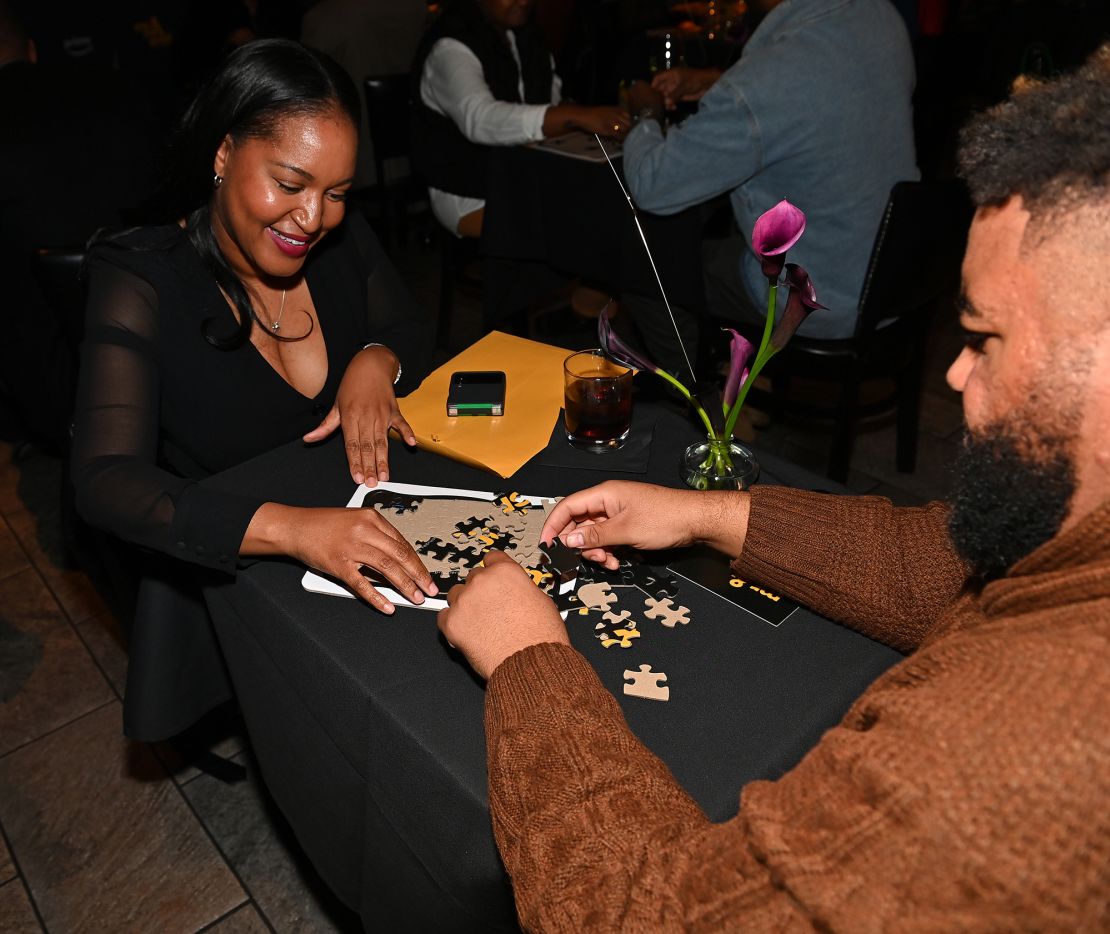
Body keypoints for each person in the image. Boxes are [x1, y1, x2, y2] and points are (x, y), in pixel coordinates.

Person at [436, 47, 1110, 929]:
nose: (952, 373)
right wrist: (707, 515)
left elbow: (647, 915)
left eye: (982, 337)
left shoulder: (1000, 764)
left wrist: (528, 662)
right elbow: (943, 564)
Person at [71, 39, 439, 741]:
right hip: (245, 575)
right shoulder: (141, 279)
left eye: (336, 193)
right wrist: (295, 529)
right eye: (290, 183)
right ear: (222, 152)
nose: (313, 219)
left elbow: (410, 326)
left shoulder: (340, 238)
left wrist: (373, 358)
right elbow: (102, 479)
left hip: (367, 540)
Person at [619, 0, 918, 377]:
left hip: (819, 298)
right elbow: (815, 85)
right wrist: (721, 81)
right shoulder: (879, 16)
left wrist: (646, 114)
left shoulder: (763, 85)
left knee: (639, 258)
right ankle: (744, 376)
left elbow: (652, 185)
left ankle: (703, 408)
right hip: (896, 279)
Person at [411, 0, 630, 238]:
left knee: (614, 196)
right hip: (467, 190)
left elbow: (549, 103)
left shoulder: (527, 36)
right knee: (582, 222)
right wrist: (573, 116)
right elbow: (480, 119)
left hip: (522, 174)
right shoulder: (450, 46)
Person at [300, 0, 428, 189]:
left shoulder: (329, 15)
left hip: (361, 161)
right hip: (419, 149)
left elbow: (303, 77)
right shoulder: (416, 6)